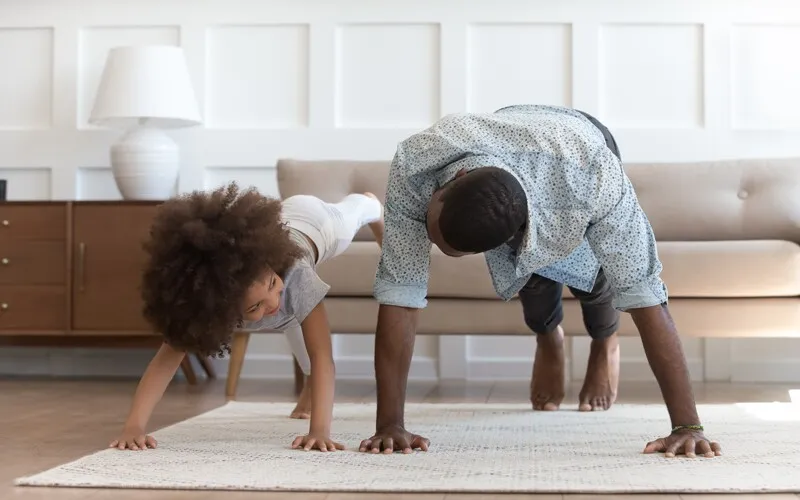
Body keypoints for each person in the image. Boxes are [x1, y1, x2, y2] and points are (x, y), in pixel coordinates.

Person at [358, 104, 722, 459]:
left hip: (582, 145)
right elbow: (400, 292)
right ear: (452, 182)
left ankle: (604, 341)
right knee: (531, 276)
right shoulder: (418, 161)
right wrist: (390, 424)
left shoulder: (595, 177)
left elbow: (644, 293)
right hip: (514, 128)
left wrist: (687, 427)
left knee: (597, 279)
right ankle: (549, 336)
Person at [109, 182, 384, 453]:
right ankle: (307, 392)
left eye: (272, 284)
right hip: (285, 221)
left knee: (356, 213)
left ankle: (370, 203)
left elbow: (322, 355)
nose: (274, 303)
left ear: (272, 268)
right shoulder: (210, 304)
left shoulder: (296, 279)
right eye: (255, 308)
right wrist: (133, 426)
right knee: (290, 315)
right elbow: (163, 365)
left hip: (317, 222)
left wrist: (319, 431)